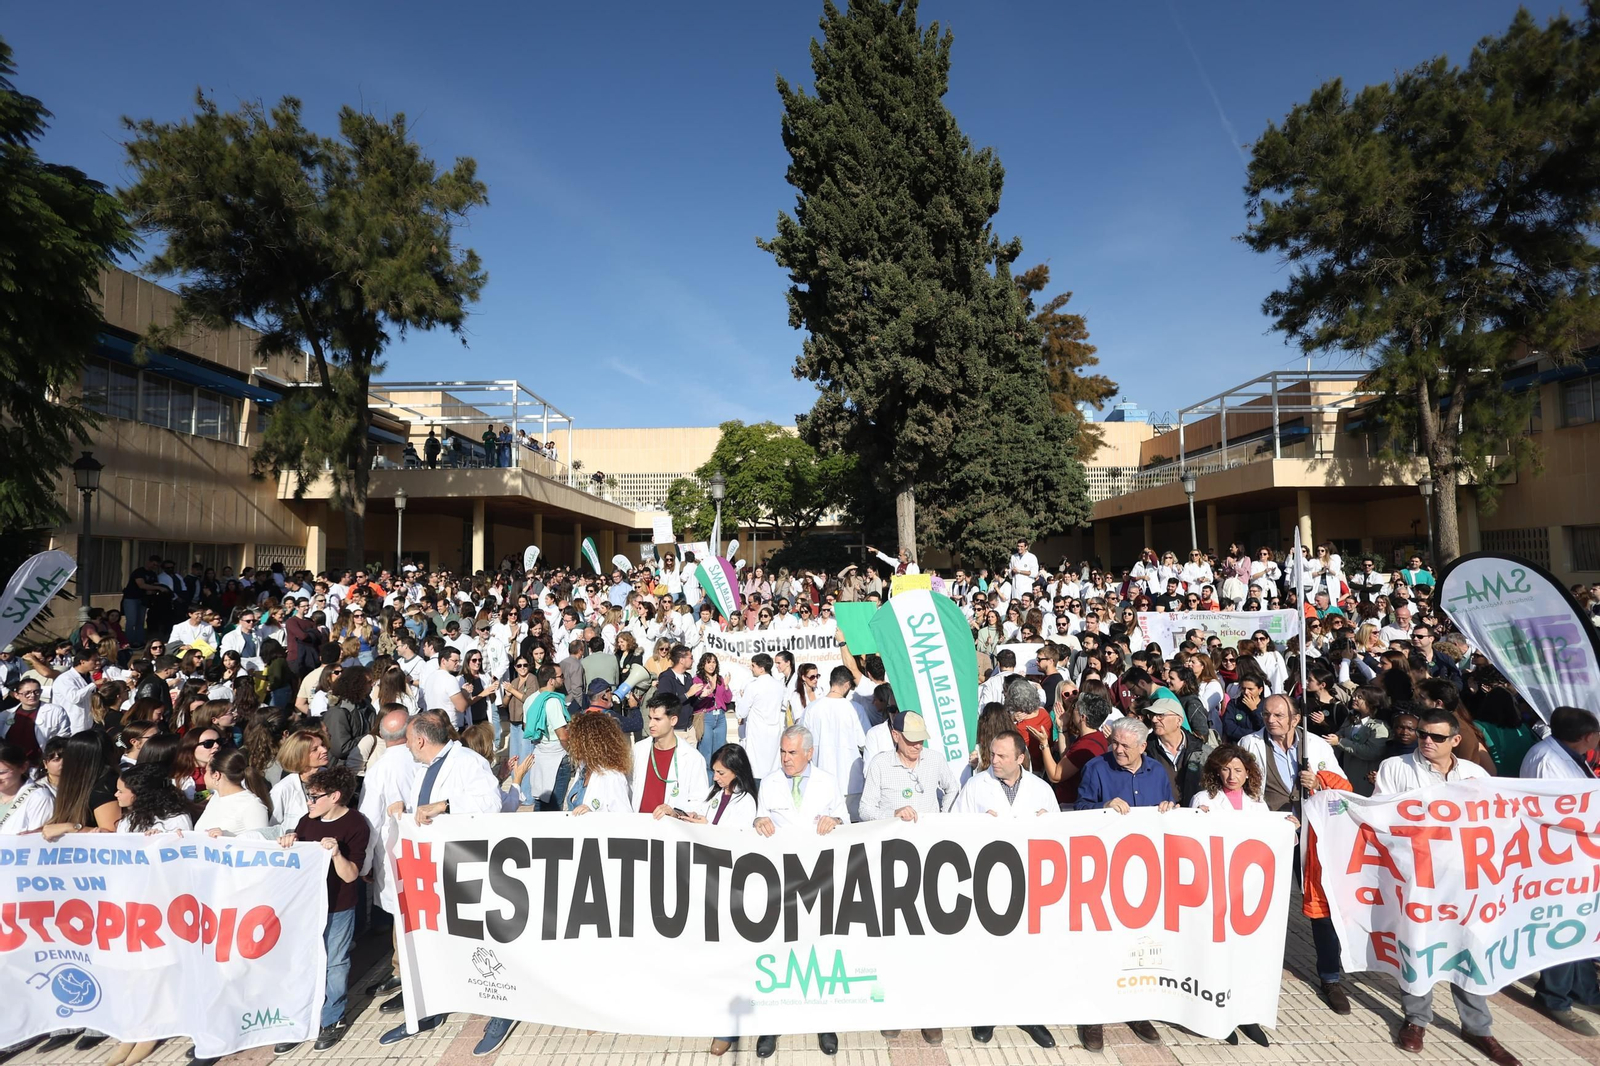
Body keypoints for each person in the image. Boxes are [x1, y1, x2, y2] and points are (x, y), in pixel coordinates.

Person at [1374, 708, 1517, 1063]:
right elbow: (1380, 819)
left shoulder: (1474, 774)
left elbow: (1496, 821)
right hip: (1417, 881)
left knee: (1468, 949)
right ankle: (1416, 1019)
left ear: (1455, 740)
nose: (1426, 741)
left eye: (1436, 737)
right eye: (1422, 734)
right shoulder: (1396, 768)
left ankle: (1478, 1028)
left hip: (1466, 882)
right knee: (1418, 947)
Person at [378, 712, 515, 1053]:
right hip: (431, 869)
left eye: (409, 740)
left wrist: (446, 805)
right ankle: (429, 1012)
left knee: (484, 944)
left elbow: (491, 804)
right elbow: (419, 813)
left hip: (469, 868)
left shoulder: (467, 762)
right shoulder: (422, 768)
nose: (406, 746)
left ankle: (501, 1012)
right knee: (434, 942)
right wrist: (403, 809)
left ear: (420, 740)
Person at [950, 730, 1059, 1049]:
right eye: (992, 755)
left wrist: (1047, 824)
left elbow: (1060, 834)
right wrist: (977, 825)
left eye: (1001, 756)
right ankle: (988, 1011)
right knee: (989, 948)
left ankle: (1028, 1013)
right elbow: (954, 828)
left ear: (1020, 759)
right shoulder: (975, 786)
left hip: (1029, 883)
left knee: (1027, 950)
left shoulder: (1040, 790)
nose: (993, 761)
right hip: (988, 882)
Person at [752, 725, 846, 1057]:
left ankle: (824, 1022)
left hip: (818, 879)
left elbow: (845, 820)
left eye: (792, 752)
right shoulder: (769, 783)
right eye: (782, 751)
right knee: (776, 954)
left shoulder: (827, 782)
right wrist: (758, 822)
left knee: (819, 953)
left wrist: (835, 821)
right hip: (779, 881)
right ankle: (770, 1026)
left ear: (809, 753)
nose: (786, 758)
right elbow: (759, 819)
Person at [273, 765, 368, 1055]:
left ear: (335, 796)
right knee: (303, 962)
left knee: (335, 963)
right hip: (307, 907)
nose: (308, 802)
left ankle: (332, 1018)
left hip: (339, 906)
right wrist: (289, 842)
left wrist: (337, 853)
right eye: (308, 796)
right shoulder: (305, 822)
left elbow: (352, 875)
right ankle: (301, 1017)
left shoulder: (356, 825)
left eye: (314, 797)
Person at [1517, 706, 1600, 1032]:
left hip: (1579, 856)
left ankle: (1585, 989)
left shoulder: (1568, 755)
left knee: (1582, 923)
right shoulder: (1547, 760)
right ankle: (1553, 997)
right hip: (1555, 858)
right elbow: (1553, 813)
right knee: (1561, 927)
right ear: (1588, 737)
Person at [629, 694, 707, 816]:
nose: (650, 724)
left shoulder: (693, 758)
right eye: (650, 718)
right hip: (640, 827)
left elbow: (699, 802)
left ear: (673, 720)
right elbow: (627, 788)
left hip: (670, 830)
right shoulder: (638, 750)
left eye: (657, 719)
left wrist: (675, 813)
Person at [564, 711, 633, 814]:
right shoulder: (583, 769)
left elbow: (624, 817)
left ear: (589, 744)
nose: (571, 744)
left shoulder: (613, 777)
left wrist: (592, 811)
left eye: (575, 740)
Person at [194, 747, 270, 836]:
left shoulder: (252, 805)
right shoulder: (216, 796)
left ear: (216, 775)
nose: (204, 776)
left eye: (206, 771)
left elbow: (260, 844)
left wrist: (226, 837)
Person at [739, 653, 788, 779]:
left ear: (761, 669)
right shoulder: (779, 686)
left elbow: (741, 712)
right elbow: (785, 705)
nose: (751, 668)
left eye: (753, 666)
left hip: (757, 733)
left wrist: (741, 697)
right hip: (774, 731)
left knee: (756, 769)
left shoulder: (753, 686)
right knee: (773, 767)